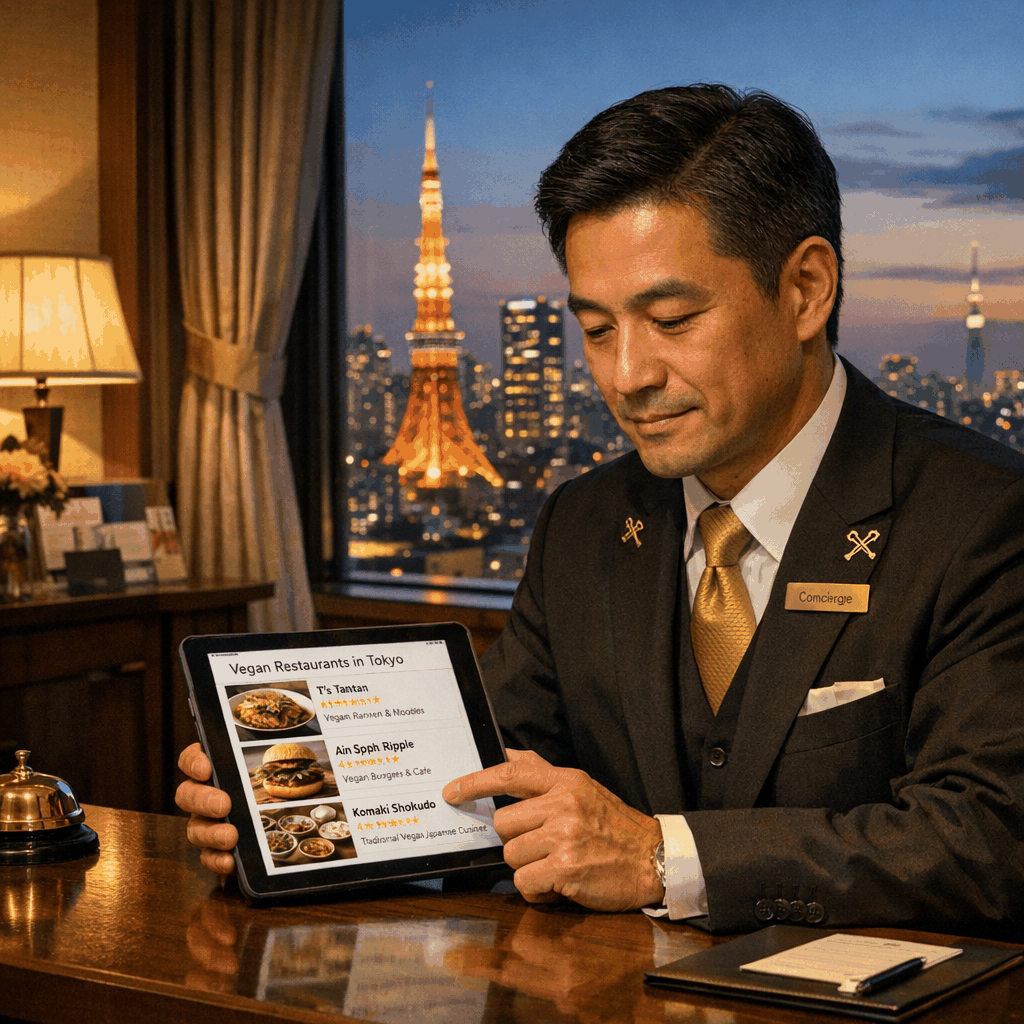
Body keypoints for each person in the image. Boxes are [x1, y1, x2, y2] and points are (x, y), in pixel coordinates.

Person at [178, 84, 1024, 938]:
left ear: (806, 289)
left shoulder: (981, 517)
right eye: (595, 329)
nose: (627, 376)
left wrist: (662, 857)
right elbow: (480, 769)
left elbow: (992, 842)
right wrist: (301, 806)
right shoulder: (581, 524)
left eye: (671, 319)